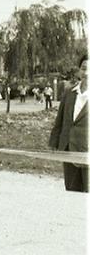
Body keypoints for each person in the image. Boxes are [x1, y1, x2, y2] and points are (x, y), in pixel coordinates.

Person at [49, 55, 88, 192]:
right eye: (83, 68)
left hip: (87, 149)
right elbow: (59, 120)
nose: (86, 73)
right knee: (72, 192)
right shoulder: (69, 92)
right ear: (79, 70)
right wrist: (54, 142)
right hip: (69, 148)